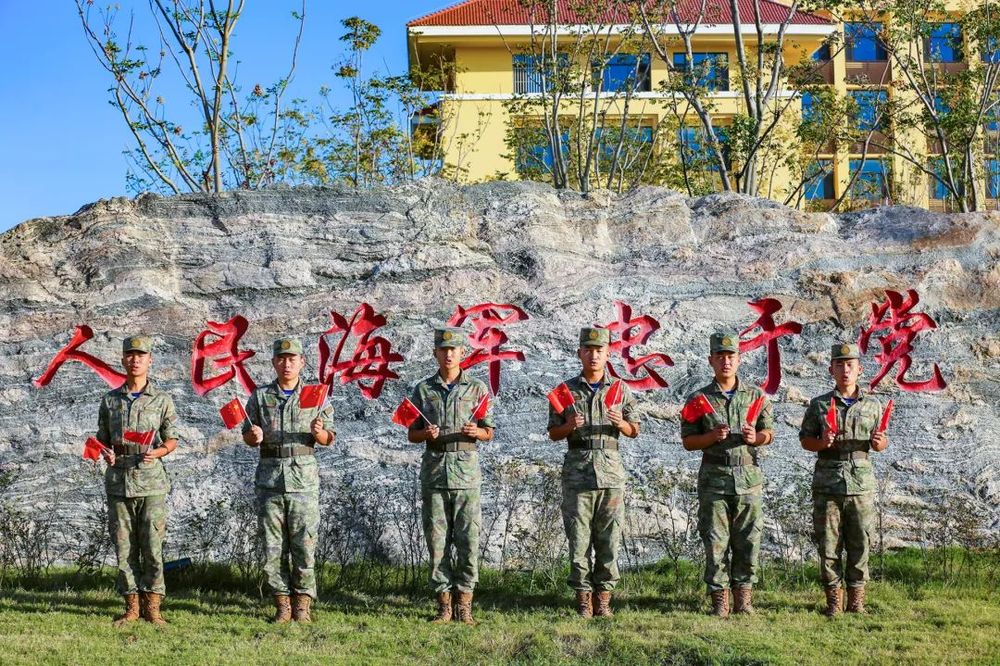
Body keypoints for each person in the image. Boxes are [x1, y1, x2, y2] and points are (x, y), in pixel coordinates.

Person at [547, 327, 640, 618]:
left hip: (611, 474)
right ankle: (583, 599)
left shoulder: (620, 389)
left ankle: (603, 599)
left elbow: (635, 429)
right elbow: (553, 433)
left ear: (607, 353)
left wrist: (620, 423)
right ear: (580, 353)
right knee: (578, 539)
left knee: (609, 539)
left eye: (599, 350)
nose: (594, 355)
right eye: (588, 350)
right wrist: (568, 426)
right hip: (578, 474)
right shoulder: (564, 391)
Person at [680, 331, 773, 617]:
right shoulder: (698, 399)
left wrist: (756, 437)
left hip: (748, 478)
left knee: (749, 539)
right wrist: (710, 437)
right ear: (711, 360)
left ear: (739, 359)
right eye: (720, 356)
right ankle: (719, 600)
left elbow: (769, 433)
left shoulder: (756, 396)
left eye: (730, 356)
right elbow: (688, 441)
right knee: (715, 540)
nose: (726, 362)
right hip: (714, 478)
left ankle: (743, 598)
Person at [243, 337, 335, 623]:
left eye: (292, 358)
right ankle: (282, 603)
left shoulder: (315, 395)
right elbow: (248, 436)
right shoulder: (260, 397)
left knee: (304, 544)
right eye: (281, 359)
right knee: (272, 546)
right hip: (270, 481)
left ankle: (303, 604)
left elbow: (328, 438)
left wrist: (318, 432)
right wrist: (254, 436)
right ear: (273, 362)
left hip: (303, 481)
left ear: (302, 362)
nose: (287, 364)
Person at [407, 327, 494, 625]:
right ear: (435, 353)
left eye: (453, 350)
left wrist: (477, 432)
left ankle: (465, 604)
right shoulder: (423, 390)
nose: (448, 354)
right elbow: (412, 433)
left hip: (466, 474)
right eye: (443, 350)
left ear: (462, 353)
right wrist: (425, 434)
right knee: (437, 542)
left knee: (468, 540)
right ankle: (444, 605)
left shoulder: (477, 389)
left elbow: (489, 431)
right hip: (435, 473)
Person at [799, 342, 889, 616]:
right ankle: (833, 602)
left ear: (859, 369)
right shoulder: (819, 405)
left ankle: (856, 601)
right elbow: (805, 441)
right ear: (831, 370)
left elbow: (882, 442)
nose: (845, 370)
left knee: (860, 542)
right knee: (829, 544)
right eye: (840, 365)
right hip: (828, 482)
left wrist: (880, 443)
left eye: (850, 365)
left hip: (861, 484)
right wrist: (822, 442)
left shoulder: (872, 405)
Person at [96, 334, 179, 626]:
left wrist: (159, 451)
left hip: (151, 482)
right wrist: (106, 453)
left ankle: (153, 606)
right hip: (119, 481)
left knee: (152, 546)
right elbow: (102, 439)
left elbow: (172, 439)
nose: (135, 360)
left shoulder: (162, 399)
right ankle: (131, 606)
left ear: (149, 360)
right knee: (124, 547)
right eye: (130, 355)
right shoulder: (110, 400)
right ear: (123, 360)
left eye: (141, 355)